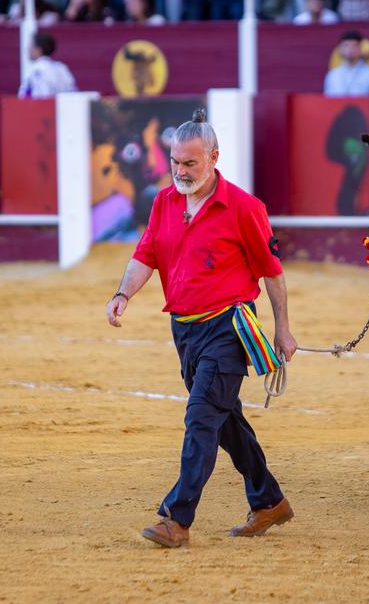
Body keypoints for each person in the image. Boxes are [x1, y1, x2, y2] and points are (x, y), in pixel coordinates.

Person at [106, 109, 297, 548]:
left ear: (214, 157)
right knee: (224, 420)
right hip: (185, 331)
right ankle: (269, 500)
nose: (180, 171)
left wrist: (282, 329)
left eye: (190, 163)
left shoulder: (245, 208)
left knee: (200, 418)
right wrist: (123, 294)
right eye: (175, 162)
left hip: (228, 329)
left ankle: (177, 519)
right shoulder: (164, 201)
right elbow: (146, 254)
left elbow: (272, 272)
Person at [323, 29, 369, 97]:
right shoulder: (332, 75)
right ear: (340, 49)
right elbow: (328, 101)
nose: (350, 50)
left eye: (354, 46)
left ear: (360, 48)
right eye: (346, 45)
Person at [18, 32, 77, 98]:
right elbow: (72, 93)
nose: (28, 49)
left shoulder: (36, 70)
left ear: (38, 50)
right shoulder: (62, 68)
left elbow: (33, 97)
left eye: (31, 46)